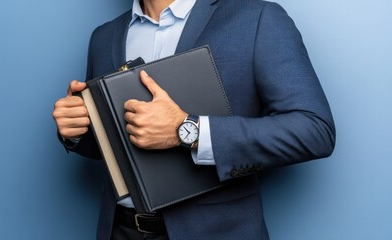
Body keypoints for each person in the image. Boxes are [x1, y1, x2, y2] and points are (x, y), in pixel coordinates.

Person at [52, 0, 336, 239]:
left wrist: (187, 131)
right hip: (120, 229)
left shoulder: (258, 18)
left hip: (217, 231)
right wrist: (77, 130)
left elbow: (314, 130)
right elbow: (115, 145)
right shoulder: (103, 37)